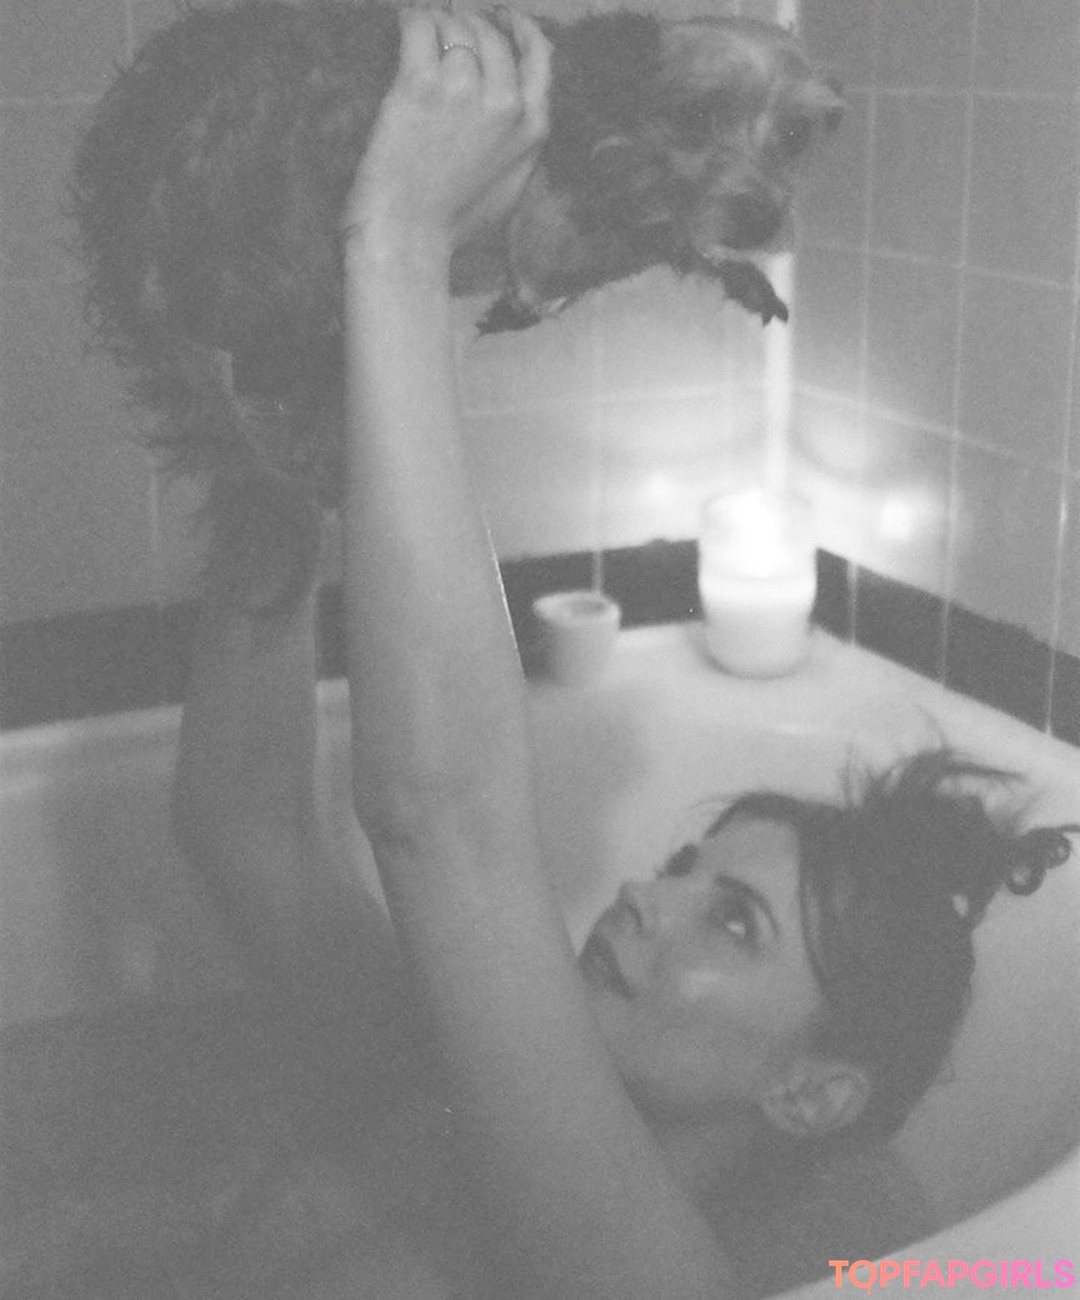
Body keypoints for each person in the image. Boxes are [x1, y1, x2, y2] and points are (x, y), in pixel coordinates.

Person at [42, 7, 1074, 1299]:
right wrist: (284, 418)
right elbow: (240, 832)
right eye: (690, 869)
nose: (644, 895)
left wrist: (399, 243)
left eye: (734, 924)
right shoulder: (449, 1081)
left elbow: (440, 821)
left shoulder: (657, 1276)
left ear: (813, 1092)